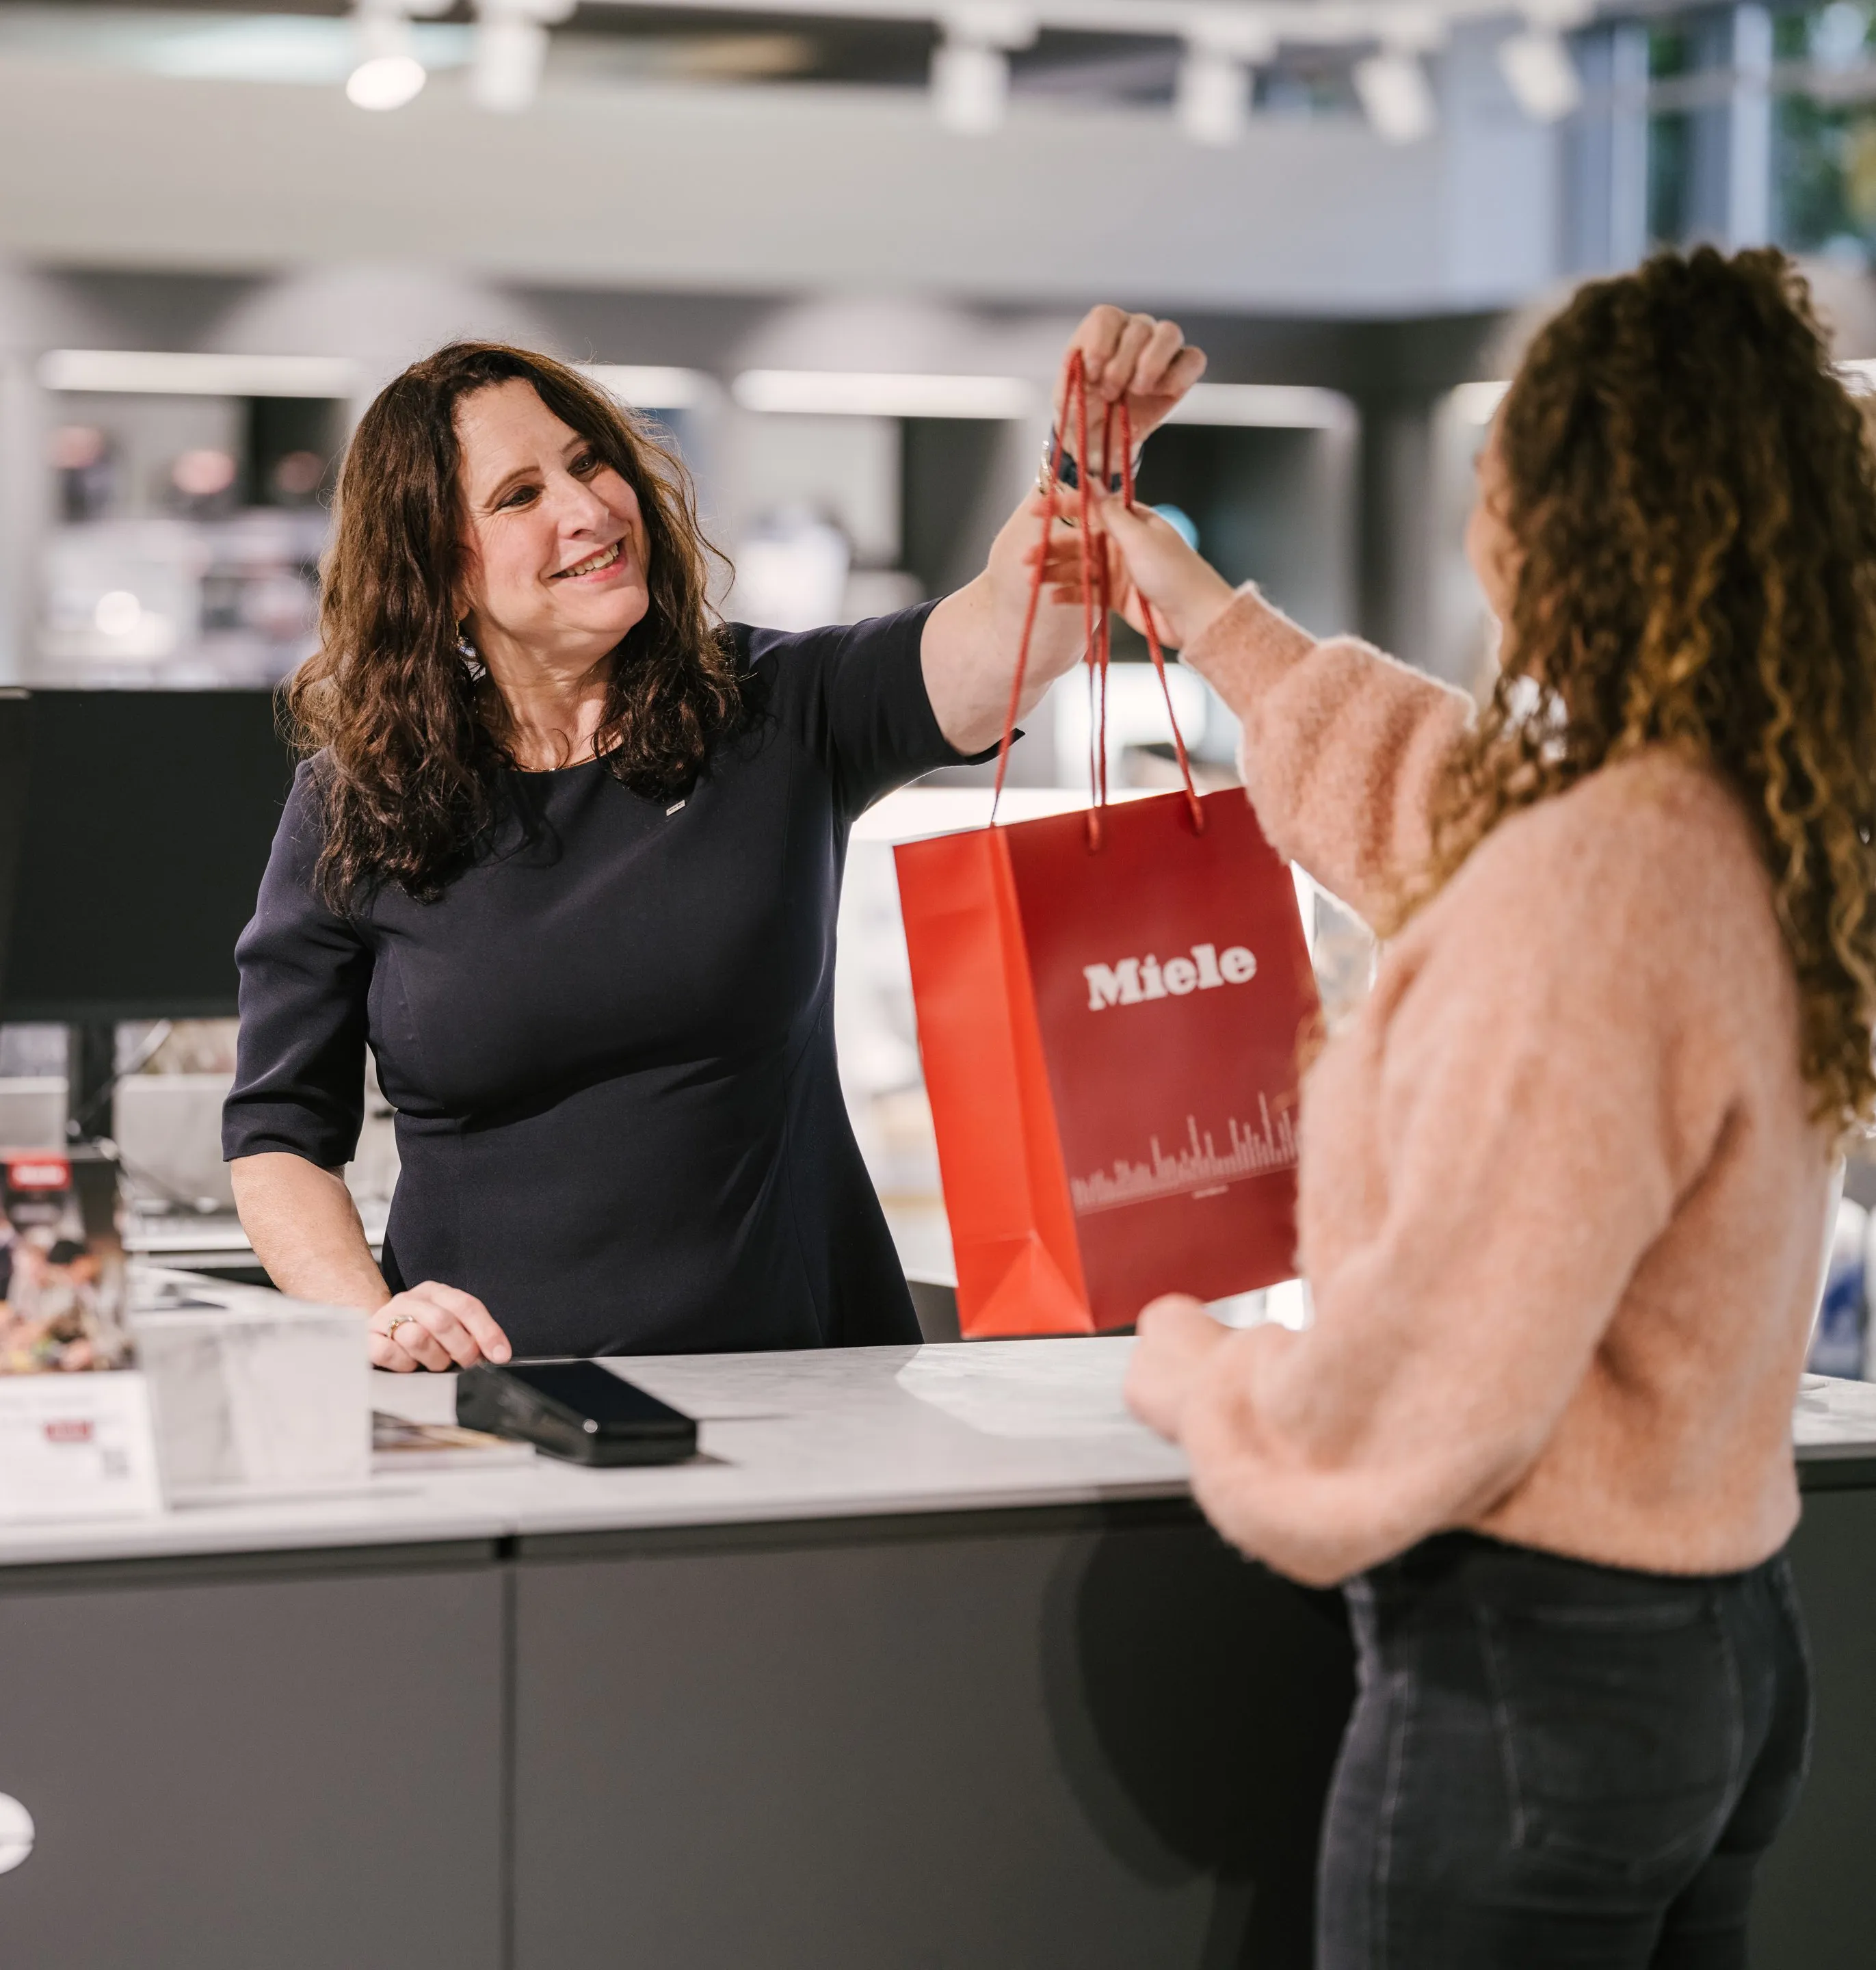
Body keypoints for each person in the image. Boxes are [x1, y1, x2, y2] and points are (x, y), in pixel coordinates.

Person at [1055, 248, 1875, 1964]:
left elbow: (1420, 1392)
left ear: (1573, 518)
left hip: (1533, 1690)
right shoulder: (1736, 828)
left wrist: (1200, 1371)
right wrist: (1200, 607)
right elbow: (1444, 797)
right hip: (1719, 1653)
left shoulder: (1595, 884)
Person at [224, 311, 1204, 1372]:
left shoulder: (775, 709)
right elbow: (280, 1132)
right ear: (436, 574)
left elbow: (1012, 630)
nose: (589, 508)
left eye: (589, 463)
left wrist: (1080, 471)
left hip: (809, 1388)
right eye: (519, 496)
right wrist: (368, 1315)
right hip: (500, 1409)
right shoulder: (357, 803)